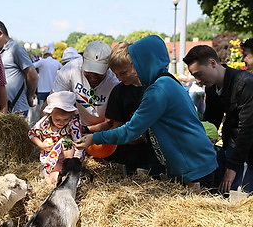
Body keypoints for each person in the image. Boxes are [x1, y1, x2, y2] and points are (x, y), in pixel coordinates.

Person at [75, 35, 218, 188]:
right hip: (193, 163)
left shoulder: (158, 90)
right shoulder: (167, 81)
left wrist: (94, 138)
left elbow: (130, 131)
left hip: (195, 167)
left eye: (136, 64)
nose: (135, 70)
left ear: (145, 62)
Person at [183, 45, 253, 193]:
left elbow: (247, 129)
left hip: (247, 149)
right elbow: (211, 121)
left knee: (239, 193)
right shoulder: (212, 87)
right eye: (194, 75)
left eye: (199, 74)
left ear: (212, 63)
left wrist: (232, 168)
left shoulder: (245, 83)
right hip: (231, 145)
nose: (197, 80)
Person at [104, 42, 165, 176]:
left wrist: (143, 136)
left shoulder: (154, 87)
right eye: (116, 74)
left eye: (123, 73)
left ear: (136, 65)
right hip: (128, 153)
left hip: (156, 152)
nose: (119, 78)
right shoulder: (118, 92)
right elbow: (116, 125)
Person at [53, 41, 120, 133]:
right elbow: (53, 102)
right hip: (81, 126)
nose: (93, 77)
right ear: (83, 61)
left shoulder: (115, 79)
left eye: (99, 73)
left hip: (107, 131)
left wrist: (85, 130)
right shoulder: (70, 69)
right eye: (89, 71)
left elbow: (112, 122)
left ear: (108, 67)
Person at [0, 19, 38, 116]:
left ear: (0, 33)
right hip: (5, 110)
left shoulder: (15, 48)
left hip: (17, 110)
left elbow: (32, 75)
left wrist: (30, 96)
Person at [28, 91, 83, 184]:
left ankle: (69, 168)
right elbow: (31, 133)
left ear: (71, 115)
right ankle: (54, 175)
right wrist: (41, 145)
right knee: (52, 177)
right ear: (50, 114)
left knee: (66, 142)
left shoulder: (73, 123)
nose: (61, 123)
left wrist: (77, 159)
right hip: (51, 156)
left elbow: (79, 141)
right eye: (57, 119)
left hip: (68, 155)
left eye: (66, 119)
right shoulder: (45, 122)